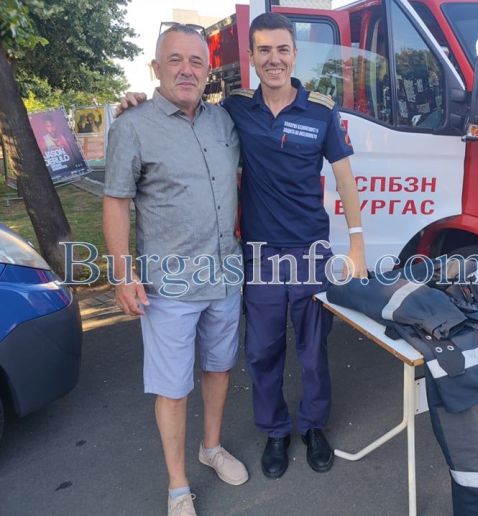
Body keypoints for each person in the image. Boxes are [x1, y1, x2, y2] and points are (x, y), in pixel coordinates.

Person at [118, 12, 368, 481]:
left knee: (314, 349)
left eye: (282, 49)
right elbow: (179, 109)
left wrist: (356, 244)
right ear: (251, 57)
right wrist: (136, 102)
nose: (274, 59)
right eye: (264, 50)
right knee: (263, 350)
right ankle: (275, 431)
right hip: (259, 256)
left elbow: (345, 178)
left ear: (294, 54)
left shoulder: (320, 111)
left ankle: (313, 426)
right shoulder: (234, 111)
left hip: (310, 253)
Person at [103, 24, 247, 516]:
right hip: (168, 286)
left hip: (224, 276)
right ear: (156, 67)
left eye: (196, 61)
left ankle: (211, 448)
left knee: (219, 367)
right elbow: (116, 201)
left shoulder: (223, 121)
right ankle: (178, 487)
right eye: (175, 60)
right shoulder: (132, 125)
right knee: (172, 387)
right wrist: (123, 273)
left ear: (207, 71)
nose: (187, 69)